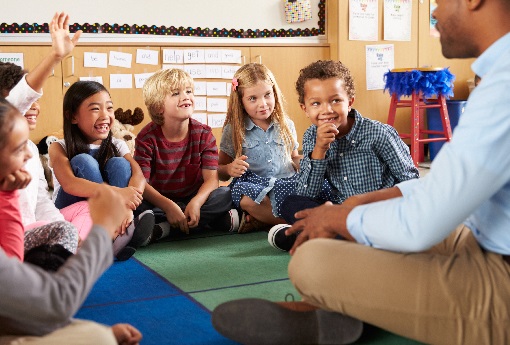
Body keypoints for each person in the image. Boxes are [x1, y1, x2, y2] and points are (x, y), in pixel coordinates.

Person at [212, 0, 510, 344]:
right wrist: (348, 208)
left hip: (498, 273)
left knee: (311, 264)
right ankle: (354, 304)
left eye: (438, 0)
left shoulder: (499, 89)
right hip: (480, 235)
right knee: (319, 222)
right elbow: (438, 191)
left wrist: (341, 219)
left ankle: (337, 311)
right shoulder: (498, 78)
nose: (434, 12)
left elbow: (419, 218)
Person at [0, 101, 142, 344]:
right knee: (99, 337)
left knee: (88, 330)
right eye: (18, 148)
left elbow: (12, 252)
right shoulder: (59, 147)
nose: (28, 153)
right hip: (37, 294)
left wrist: (8, 194)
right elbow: (58, 303)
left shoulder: (116, 145)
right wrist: (103, 230)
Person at [268, 60, 419, 252]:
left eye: (336, 100)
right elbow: (307, 193)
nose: (327, 110)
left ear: (350, 102)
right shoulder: (311, 136)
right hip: (342, 215)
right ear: (305, 109)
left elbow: (411, 183)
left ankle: (317, 237)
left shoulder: (379, 134)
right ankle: (339, 238)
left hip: (381, 213)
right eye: (316, 103)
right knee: (291, 202)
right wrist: (320, 150)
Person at [49, 81, 154, 261]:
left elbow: (139, 175)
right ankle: (118, 235)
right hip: (71, 208)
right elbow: (70, 184)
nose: (105, 115)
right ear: (73, 116)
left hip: (107, 209)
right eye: (95, 109)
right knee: (84, 161)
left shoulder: (118, 144)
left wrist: (128, 207)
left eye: (109, 108)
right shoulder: (58, 147)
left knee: (120, 165)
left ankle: (115, 234)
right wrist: (118, 195)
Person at [134, 68, 237, 242]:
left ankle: (165, 228)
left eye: (189, 91)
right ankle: (205, 222)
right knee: (138, 203)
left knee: (226, 193)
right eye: (176, 93)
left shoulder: (204, 133)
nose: (185, 96)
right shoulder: (146, 138)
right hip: (160, 202)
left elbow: (212, 180)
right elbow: (142, 183)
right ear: (158, 107)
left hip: (194, 198)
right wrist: (168, 206)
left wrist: (196, 202)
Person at [218, 63, 302, 233]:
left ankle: (264, 222)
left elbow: (293, 157)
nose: (263, 104)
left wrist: (305, 163)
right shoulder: (234, 129)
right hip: (256, 187)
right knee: (246, 200)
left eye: (267, 95)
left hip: (285, 182)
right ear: (240, 102)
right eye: (253, 99)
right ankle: (296, 226)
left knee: (315, 190)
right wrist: (229, 168)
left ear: (274, 94)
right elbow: (220, 171)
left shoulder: (286, 124)